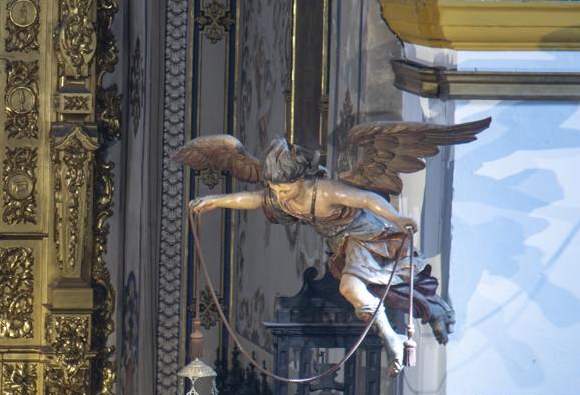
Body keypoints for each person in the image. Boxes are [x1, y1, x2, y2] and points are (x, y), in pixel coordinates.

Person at [178, 119, 489, 373]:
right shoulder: (278, 194)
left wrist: (398, 220)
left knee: (353, 290)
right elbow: (255, 199)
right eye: (275, 188)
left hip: (370, 238)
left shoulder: (323, 191)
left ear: (301, 179)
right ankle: (420, 317)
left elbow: (367, 199)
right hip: (344, 246)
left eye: (285, 188)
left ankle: (394, 339)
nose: (281, 196)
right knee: (384, 292)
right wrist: (215, 201)